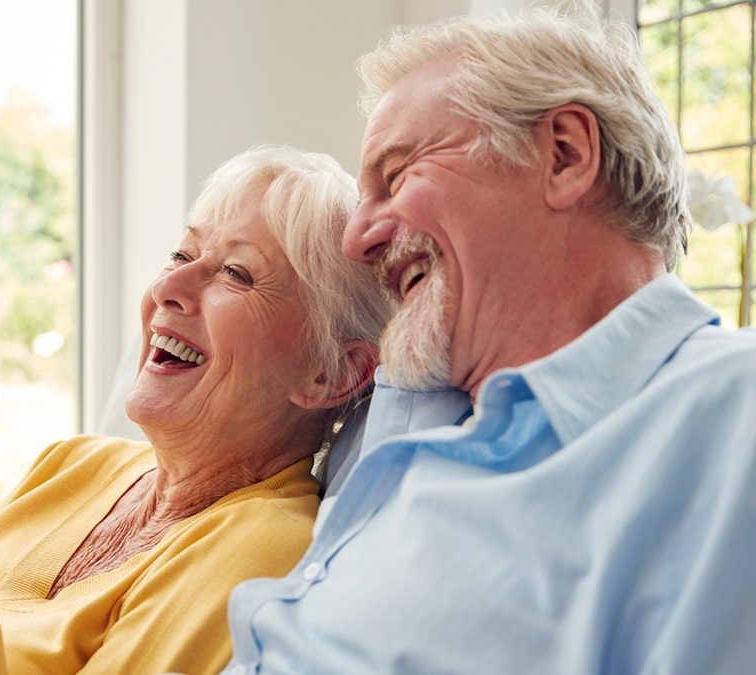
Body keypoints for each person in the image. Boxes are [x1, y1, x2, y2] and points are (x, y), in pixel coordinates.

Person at [222, 4, 756, 673]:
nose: (357, 240)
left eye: (396, 175)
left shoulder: (730, 414)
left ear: (564, 155)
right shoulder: (416, 409)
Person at [0, 144, 396, 674]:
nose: (166, 290)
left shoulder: (262, 549)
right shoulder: (74, 463)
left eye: (236, 273)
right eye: (182, 256)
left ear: (331, 374)